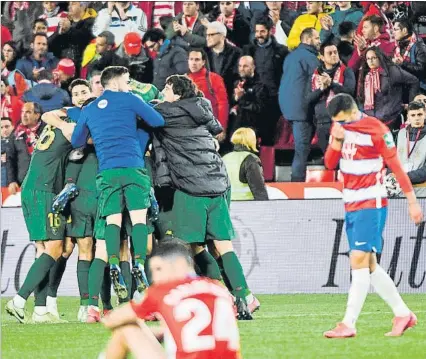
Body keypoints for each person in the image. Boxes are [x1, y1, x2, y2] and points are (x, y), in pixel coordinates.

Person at [152, 75, 258, 319]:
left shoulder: (167, 112)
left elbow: (144, 113)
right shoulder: (200, 109)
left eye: (167, 88)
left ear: (177, 94)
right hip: (217, 184)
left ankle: (215, 298)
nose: (163, 91)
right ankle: (245, 297)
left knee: (187, 248)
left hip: (191, 187)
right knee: (223, 245)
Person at [323, 93, 422, 338]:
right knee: (369, 265)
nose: (341, 126)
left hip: (371, 202)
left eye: (343, 121)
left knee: (357, 261)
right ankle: (402, 313)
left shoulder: (376, 129)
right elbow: (329, 163)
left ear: (353, 112)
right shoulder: (339, 127)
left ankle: (348, 323)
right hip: (351, 203)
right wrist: (335, 141)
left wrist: (412, 202)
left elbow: (396, 167)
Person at [71, 66, 164, 302]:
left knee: (112, 220)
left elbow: (77, 140)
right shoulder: (129, 99)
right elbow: (157, 120)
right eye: (127, 80)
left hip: (107, 172)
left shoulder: (90, 108)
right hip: (133, 167)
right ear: (114, 83)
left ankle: (113, 263)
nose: (129, 84)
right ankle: (140, 264)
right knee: (138, 218)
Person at [99, 239, 241, 359]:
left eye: (159, 269)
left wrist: (140, 323)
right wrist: (165, 332)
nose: (154, 277)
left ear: (179, 264)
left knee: (127, 328)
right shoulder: (218, 288)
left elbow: (111, 320)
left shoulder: (164, 290)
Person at [4, 98, 78, 324]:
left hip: (30, 188)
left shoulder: (53, 124)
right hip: (44, 190)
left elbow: (49, 114)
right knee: (55, 248)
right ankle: (18, 300)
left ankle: (40, 309)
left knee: (44, 248)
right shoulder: (73, 129)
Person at [40, 79, 95, 322]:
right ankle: (51, 300)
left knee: (81, 246)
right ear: (72, 99)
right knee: (65, 248)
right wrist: (64, 126)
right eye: (77, 93)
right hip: (67, 186)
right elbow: (46, 115)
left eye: (85, 92)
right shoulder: (73, 113)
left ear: (92, 93)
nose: (81, 96)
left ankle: (85, 304)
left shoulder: (94, 113)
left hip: (83, 185)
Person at [279, 27, 321, 182]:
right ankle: (297, 183)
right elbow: (319, 77)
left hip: (290, 108)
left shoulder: (291, 56)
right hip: (302, 110)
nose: (319, 41)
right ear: (308, 39)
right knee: (301, 149)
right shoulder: (310, 58)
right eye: (317, 38)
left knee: (301, 148)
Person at [243, 16, 288, 145]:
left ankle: (267, 165)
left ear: (270, 31)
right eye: (257, 31)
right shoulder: (248, 50)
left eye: (262, 31)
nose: (259, 35)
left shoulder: (282, 51)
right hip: (253, 99)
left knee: (269, 137)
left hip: (272, 101)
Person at [308, 40, 356, 155]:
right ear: (322, 57)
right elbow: (309, 99)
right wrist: (322, 88)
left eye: (335, 52)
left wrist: (331, 84)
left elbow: (349, 93)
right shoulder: (315, 75)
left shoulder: (347, 71)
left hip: (342, 122)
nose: (334, 55)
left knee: (343, 158)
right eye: (330, 53)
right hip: (322, 123)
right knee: (328, 159)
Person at [357, 47, 419, 133]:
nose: (370, 61)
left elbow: (414, 81)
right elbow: (360, 96)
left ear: (380, 57)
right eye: (368, 59)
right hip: (371, 121)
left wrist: (411, 104)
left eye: (374, 58)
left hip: (390, 119)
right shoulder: (366, 75)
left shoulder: (392, 71)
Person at [187, 48, 229, 140]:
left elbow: (223, 104)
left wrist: (221, 128)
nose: (193, 63)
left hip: (210, 129)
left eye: (197, 59)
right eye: (191, 59)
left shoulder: (214, 79)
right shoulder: (184, 79)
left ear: (203, 62)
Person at [48, 1, 97, 77]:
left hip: (82, 69)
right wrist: (58, 33)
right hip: (62, 68)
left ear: (83, 6)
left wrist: (69, 29)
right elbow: (50, 46)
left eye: (73, 3)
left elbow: (83, 38)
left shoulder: (92, 21)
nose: (69, 6)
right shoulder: (65, 22)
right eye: (69, 4)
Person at [6, 102, 45, 195]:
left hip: (45, 181)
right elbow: (10, 158)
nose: (23, 115)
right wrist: (11, 180)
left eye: (28, 112)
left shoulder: (47, 130)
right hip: (23, 182)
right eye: (22, 112)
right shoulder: (16, 133)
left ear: (37, 115)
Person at [228, 56, 269, 144]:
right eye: (240, 66)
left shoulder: (261, 86)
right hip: (236, 128)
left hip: (251, 130)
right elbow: (231, 102)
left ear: (253, 67)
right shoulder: (236, 83)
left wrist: (242, 98)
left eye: (245, 66)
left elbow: (259, 108)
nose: (241, 69)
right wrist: (235, 99)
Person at [223, 127, 268, 200]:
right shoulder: (250, 159)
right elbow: (259, 190)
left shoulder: (224, 158)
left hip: (226, 205)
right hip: (247, 206)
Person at [391, 101, 426, 189]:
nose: (417, 118)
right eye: (413, 115)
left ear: (425, 115)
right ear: (408, 117)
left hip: (421, 187)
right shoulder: (399, 134)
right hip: (399, 186)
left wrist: (406, 176)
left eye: (420, 114)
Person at [205, 21, 241, 101]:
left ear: (222, 36)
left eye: (211, 35)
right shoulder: (204, 53)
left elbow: (238, 78)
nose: (207, 38)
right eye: (207, 35)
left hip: (228, 99)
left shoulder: (236, 53)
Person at [393, 18, 426, 92]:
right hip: (403, 88)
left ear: (404, 30)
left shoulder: (418, 46)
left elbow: (422, 70)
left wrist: (403, 63)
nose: (393, 32)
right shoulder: (398, 46)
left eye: (395, 29)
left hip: (418, 89)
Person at [1, 117, 14, 187]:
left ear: (12, 127)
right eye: (1, 127)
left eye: (7, 126)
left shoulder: (22, 143)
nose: (4, 130)